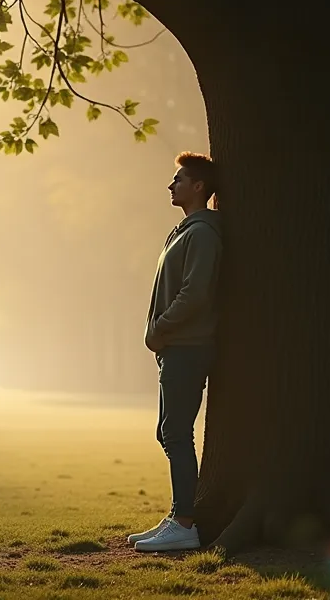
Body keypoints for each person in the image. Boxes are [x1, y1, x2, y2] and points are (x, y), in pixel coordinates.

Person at [127, 151, 223, 554]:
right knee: (168, 432)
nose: (172, 184)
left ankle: (184, 524)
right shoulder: (183, 230)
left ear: (198, 186)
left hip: (187, 345)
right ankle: (177, 515)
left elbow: (195, 294)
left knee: (175, 432)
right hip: (175, 347)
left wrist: (160, 328)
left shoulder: (202, 233)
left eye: (179, 179)